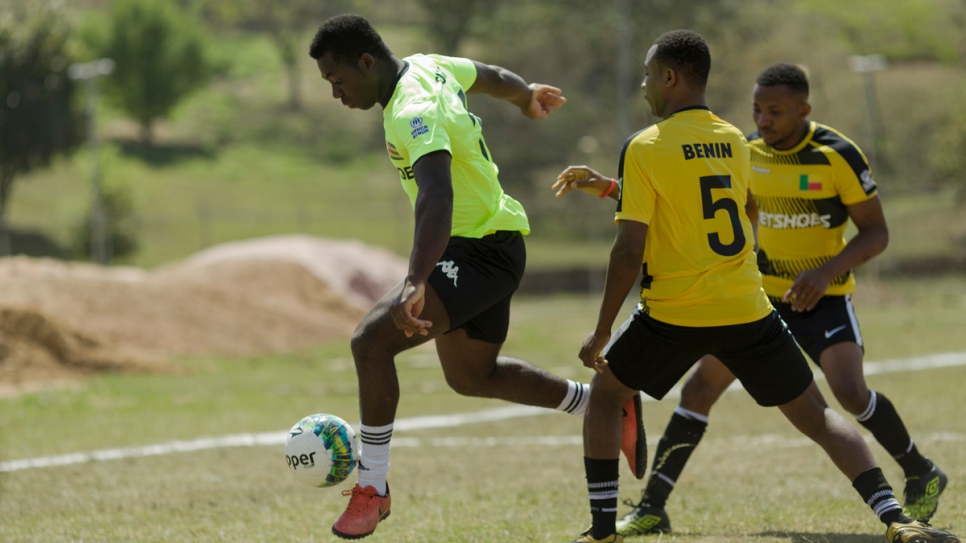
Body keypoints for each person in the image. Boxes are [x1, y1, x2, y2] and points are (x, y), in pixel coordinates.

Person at [554, 30, 959, 543]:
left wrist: (601, 330)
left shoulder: (645, 146)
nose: (643, 85)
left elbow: (631, 247)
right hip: (751, 304)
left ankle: (603, 530)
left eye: (648, 74)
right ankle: (895, 518)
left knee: (607, 395)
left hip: (684, 310)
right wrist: (612, 188)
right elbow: (721, 207)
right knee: (812, 412)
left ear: (670, 77)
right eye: (759, 110)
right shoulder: (735, 143)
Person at [306, 14, 645, 540]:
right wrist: (526, 93)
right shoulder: (429, 66)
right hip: (493, 242)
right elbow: (486, 74)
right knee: (471, 377)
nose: (336, 93)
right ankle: (601, 401)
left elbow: (437, 196)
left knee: (371, 344)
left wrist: (416, 280)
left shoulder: (412, 109)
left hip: (478, 250)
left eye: (337, 80)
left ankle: (373, 489)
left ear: (365, 62)